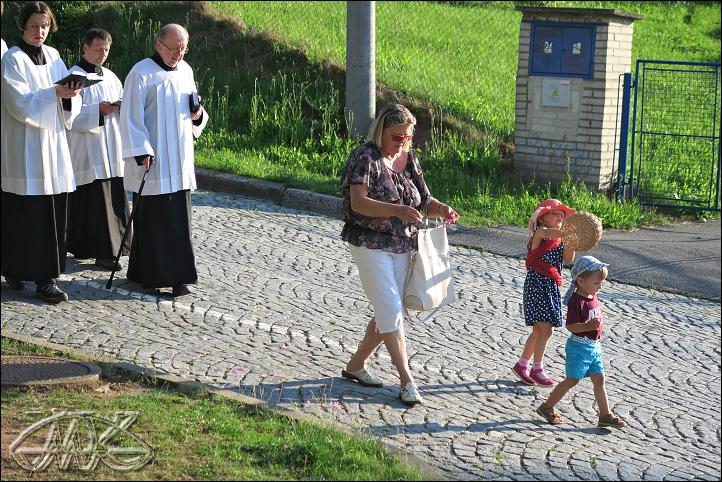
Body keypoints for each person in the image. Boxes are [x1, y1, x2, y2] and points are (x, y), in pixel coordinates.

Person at [340, 103, 460, 406]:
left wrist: (440, 208)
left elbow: (423, 199)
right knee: (391, 309)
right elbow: (359, 203)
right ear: (381, 132)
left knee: (391, 309)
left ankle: (356, 366)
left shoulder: (409, 159)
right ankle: (407, 380)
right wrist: (398, 210)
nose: (402, 143)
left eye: (407, 137)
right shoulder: (365, 156)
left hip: (403, 244)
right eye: (397, 137)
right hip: (369, 242)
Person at [1, 1, 83, 303]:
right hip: (25, 147)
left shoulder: (54, 57)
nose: (40, 31)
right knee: (26, 216)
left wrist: (70, 95)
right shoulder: (12, 59)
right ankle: (18, 268)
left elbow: (66, 102)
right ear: (22, 25)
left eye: (45, 26)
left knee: (52, 212)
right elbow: (17, 103)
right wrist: (55, 93)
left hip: (53, 145)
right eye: (34, 25)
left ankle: (46, 277)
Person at [119, 23, 207, 297]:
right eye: (174, 48)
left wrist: (198, 116)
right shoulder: (141, 73)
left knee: (179, 221)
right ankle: (148, 274)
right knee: (153, 221)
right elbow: (131, 116)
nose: (178, 54)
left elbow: (194, 111)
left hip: (179, 159)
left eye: (183, 49)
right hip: (154, 161)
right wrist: (141, 149)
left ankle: (179, 277)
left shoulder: (186, 71)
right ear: (159, 45)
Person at [66, 28, 131, 271]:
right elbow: (68, 114)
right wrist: (97, 111)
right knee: (93, 202)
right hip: (87, 148)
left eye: (106, 50)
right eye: (97, 49)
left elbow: (125, 102)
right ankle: (102, 252)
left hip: (111, 145)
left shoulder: (112, 76)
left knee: (112, 196)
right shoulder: (73, 76)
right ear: (85, 48)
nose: (102, 54)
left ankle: (113, 248)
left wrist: (120, 106)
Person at [536, 256, 625, 428]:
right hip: (579, 346)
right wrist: (588, 326)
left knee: (599, 379)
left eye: (602, 283)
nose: (600, 287)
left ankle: (605, 415)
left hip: (593, 347)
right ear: (581, 280)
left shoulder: (591, 296)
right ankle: (547, 407)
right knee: (572, 380)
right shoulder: (577, 301)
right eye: (596, 283)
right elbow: (571, 326)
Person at [512, 199, 576, 387]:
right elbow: (545, 233)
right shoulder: (540, 234)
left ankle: (522, 364)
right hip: (537, 284)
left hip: (551, 286)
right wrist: (571, 232)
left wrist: (572, 241)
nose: (560, 217)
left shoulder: (561, 238)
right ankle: (537, 368)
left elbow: (569, 258)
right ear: (542, 217)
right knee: (546, 329)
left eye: (562, 215)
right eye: (554, 214)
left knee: (539, 330)